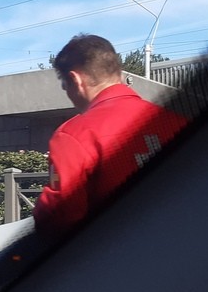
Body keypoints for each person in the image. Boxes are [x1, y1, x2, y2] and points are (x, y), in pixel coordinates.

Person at [34, 33, 187, 235]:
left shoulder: (74, 135)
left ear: (75, 79)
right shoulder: (177, 121)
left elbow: (60, 217)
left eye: (64, 86)